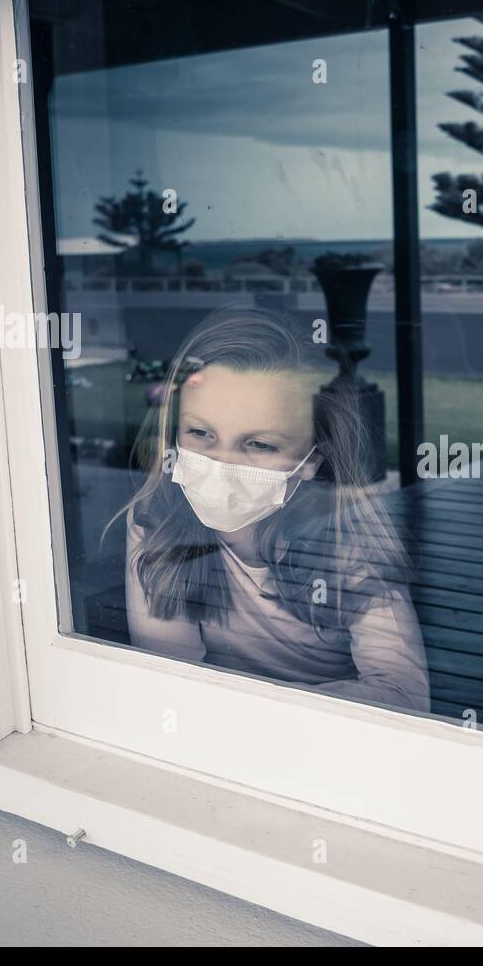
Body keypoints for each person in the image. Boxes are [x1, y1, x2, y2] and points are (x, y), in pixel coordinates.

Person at [110, 305, 429, 713]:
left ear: (312, 459)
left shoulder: (350, 539)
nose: (223, 462)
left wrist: (247, 711)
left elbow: (403, 697)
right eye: (200, 433)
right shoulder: (156, 522)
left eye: (259, 444)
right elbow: (174, 690)